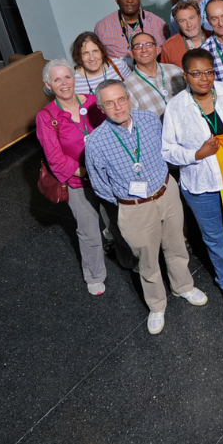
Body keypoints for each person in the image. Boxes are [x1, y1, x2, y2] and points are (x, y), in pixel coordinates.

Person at [85, 80, 208, 335]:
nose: (118, 107)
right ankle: (157, 305)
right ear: (100, 107)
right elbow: (99, 185)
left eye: (121, 99)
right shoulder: (96, 142)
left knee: (176, 245)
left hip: (166, 192)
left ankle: (183, 286)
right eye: (110, 103)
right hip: (135, 208)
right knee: (147, 259)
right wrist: (129, 201)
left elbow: (164, 151)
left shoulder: (150, 120)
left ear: (129, 98)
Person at [161, 48, 223, 306]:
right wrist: (197, 154)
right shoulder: (176, 107)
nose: (204, 78)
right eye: (197, 73)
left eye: (209, 72)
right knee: (215, 236)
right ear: (185, 76)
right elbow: (167, 150)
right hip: (202, 185)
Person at [36, 59, 109, 295]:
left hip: (108, 174)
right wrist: (86, 172)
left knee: (119, 221)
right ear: (48, 84)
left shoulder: (92, 101)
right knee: (89, 230)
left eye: (67, 77)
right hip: (78, 182)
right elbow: (55, 158)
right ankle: (95, 275)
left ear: (74, 78)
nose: (64, 83)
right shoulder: (46, 116)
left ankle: (129, 258)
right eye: (57, 79)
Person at [94, 0, 167, 60]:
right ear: (117, 0)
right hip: (117, 72)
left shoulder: (158, 24)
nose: (130, 0)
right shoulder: (102, 27)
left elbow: (166, 55)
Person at [124, 32, 185, 118]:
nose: (144, 50)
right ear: (131, 53)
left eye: (149, 45)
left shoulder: (175, 70)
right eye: (138, 46)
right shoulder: (128, 86)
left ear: (157, 49)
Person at [161, 1, 210, 68]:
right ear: (177, 24)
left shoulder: (215, 38)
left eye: (192, 18)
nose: (189, 25)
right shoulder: (169, 47)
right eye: (182, 21)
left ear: (200, 18)